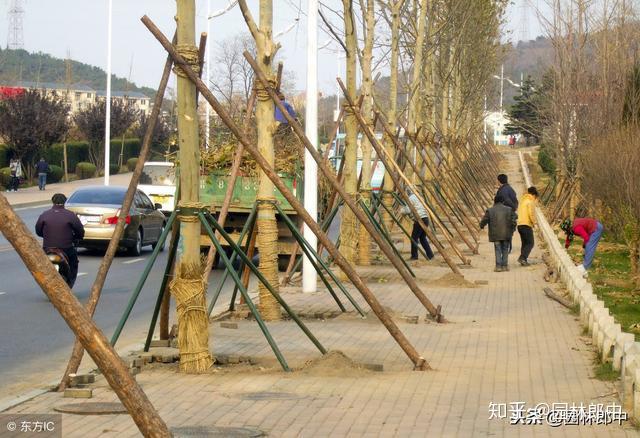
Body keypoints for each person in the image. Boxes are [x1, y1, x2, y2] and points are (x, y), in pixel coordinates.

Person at [35, 193, 85, 287]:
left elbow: (38, 230)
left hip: (48, 248)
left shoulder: (44, 214)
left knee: (42, 265)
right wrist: (78, 237)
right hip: (66, 247)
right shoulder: (70, 215)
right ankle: (70, 283)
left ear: (52, 201)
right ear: (65, 202)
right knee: (74, 262)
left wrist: (47, 236)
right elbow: (79, 230)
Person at [480, 194, 517, 272]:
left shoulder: (490, 210)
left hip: (495, 234)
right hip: (506, 233)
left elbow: (484, 220)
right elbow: (514, 219)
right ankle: (505, 266)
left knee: (497, 249)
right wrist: (513, 229)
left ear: (495, 201)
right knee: (505, 249)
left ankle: (498, 267)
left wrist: (481, 226)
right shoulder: (509, 209)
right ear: (503, 201)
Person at [404, 187, 434, 261]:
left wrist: (402, 211)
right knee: (422, 238)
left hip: (419, 219)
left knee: (414, 238)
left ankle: (414, 256)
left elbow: (407, 210)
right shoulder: (419, 196)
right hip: (425, 218)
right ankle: (430, 255)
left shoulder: (411, 198)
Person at [516, 186, 538, 266]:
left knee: (524, 243)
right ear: (534, 195)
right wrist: (534, 223)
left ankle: (523, 260)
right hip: (526, 224)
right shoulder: (530, 201)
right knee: (530, 243)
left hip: (520, 225)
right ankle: (522, 258)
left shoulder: (523, 201)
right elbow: (531, 214)